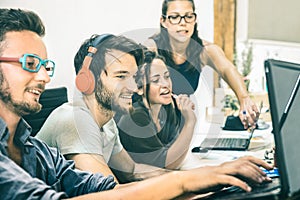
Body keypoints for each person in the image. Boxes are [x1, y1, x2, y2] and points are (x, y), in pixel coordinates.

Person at [1, 8, 274, 200]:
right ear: (86, 80)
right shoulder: (75, 120)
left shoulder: (38, 150)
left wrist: (210, 178)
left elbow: (129, 176)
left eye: (46, 66)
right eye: (30, 64)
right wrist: (185, 182)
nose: (133, 87)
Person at [143, 0, 260, 129]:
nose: (183, 23)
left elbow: (227, 69)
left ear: (195, 20)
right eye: (175, 17)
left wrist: (244, 99)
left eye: (188, 16)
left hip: (180, 125)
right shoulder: (151, 48)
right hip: (151, 125)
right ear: (163, 21)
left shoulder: (205, 50)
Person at [117, 51, 196, 169]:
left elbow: (175, 151)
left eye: (167, 76)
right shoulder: (136, 118)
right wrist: (190, 122)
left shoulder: (167, 108)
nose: (165, 84)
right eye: (155, 80)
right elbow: (166, 165)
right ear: (138, 88)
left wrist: (182, 115)